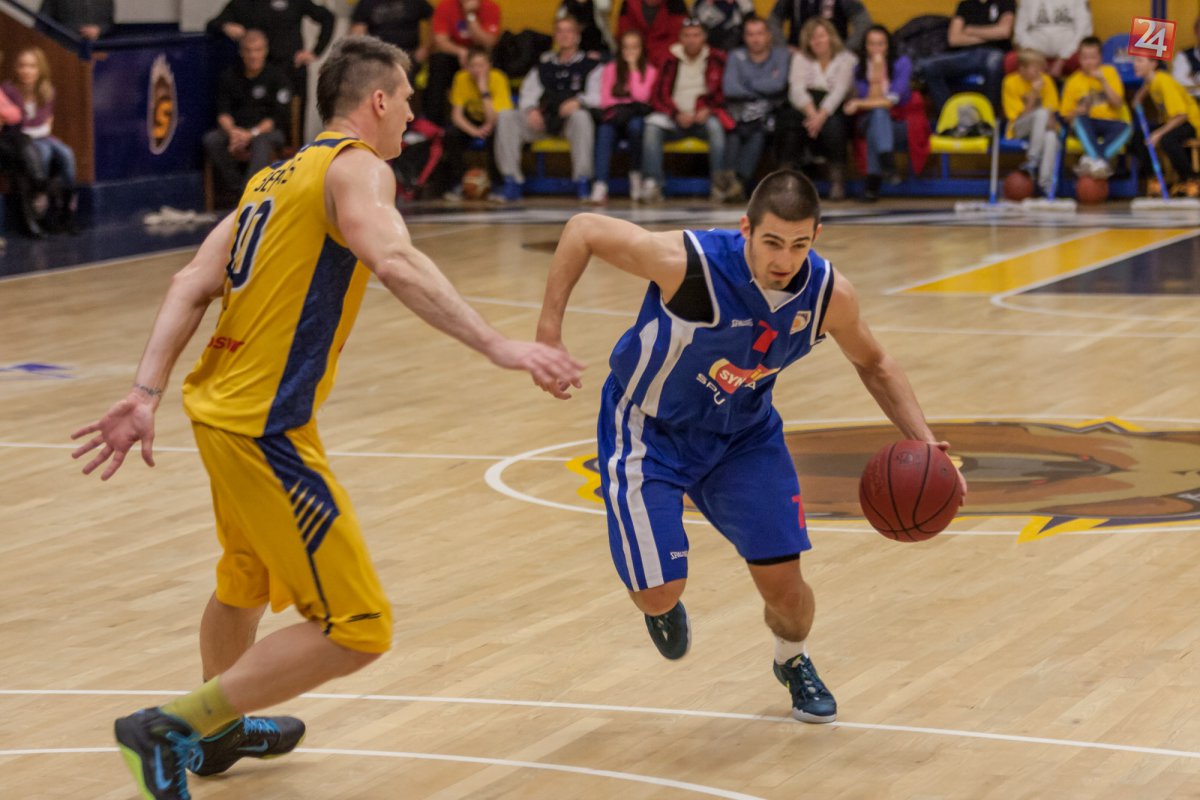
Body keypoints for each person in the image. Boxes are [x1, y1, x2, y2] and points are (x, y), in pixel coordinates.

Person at [71, 36, 583, 800]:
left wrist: (145, 392)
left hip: (220, 413)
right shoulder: (358, 168)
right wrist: (497, 345)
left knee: (244, 582)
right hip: (264, 429)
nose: (411, 114)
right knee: (359, 626)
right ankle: (172, 726)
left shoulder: (271, 180)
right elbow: (395, 260)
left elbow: (190, 281)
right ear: (377, 100)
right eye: (406, 100)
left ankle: (217, 735)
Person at [535, 169, 966, 726]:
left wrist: (927, 444)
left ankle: (792, 660)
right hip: (649, 429)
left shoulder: (827, 295)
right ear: (746, 229)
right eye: (772, 242)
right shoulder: (691, 265)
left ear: (816, 237)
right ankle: (659, 606)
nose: (784, 259)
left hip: (744, 437)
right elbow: (583, 229)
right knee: (659, 593)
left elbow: (875, 362)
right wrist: (549, 333)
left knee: (787, 592)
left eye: (799, 244)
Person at [493, 15, 602, 203]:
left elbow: (598, 96)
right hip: (544, 119)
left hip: (570, 122)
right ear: (555, 36)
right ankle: (512, 181)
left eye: (569, 31)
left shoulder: (590, 65)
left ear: (577, 36)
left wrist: (578, 101)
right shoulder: (544, 65)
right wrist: (531, 109)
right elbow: (528, 93)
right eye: (560, 31)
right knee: (507, 117)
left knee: (581, 117)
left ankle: (582, 180)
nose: (564, 35)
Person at [206, 0, 336, 141]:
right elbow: (212, 24)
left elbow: (327, 17)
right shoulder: (242, 4)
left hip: (289, 71)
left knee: (293, 128)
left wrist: (315, 52)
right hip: (254, 75)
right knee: (249, 121)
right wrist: (226, 26)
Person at [641, 19, 731, 204]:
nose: (691, 40)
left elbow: (723, 92)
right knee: (651, 128)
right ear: (680, 38)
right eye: (687, 35)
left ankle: (719, 185)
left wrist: (708, 109)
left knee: (716, 127)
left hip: (703, 116)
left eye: (696, 35)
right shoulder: (669, 59)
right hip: (674, 117)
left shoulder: (717, 59)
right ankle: (653, 184)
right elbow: (657, 95)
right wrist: (675, 113)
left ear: (704, 37)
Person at [203, 30, 293, 210]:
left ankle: (252, 196)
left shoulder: (277, 76)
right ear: (241, 52)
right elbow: (223, 112)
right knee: (212, 139)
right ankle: (240, 191)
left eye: (257, 50)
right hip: (237, 130)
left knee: (261, 142)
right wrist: (233, 133)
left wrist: (252, 134)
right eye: (249, 50)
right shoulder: (229, 76)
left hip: (267, 132)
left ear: (265, 51)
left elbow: (278, 117)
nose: (253, 55)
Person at [778, 18, 856, 201]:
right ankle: (784, 179)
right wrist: (813, 114)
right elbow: (796, 90)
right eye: (812, 38)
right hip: (805, 106)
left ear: (831, 36)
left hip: (834, 107)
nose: (817, 41)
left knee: (835, 125)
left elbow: (840, 91)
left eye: (821, 36)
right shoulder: (800, 58)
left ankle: (837, 182)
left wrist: (821, 116)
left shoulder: (847, 59)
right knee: (790, 122)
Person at [2, 46, 77, 233]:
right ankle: (39, 205)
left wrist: (40, 127)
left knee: (66, 154)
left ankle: (67, 209)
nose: (26, 71)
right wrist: (39, 127)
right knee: (43, 153)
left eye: (32, 66)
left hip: (43, 136)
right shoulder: (9, 90)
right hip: (21, 139)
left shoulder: (47, 91)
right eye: (22, 66)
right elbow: (18, 123)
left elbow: (45, 122)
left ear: (40, 69)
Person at [719, 15, 791, 203]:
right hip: (739, 114)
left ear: (768, 35)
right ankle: (730, 180)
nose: (755, 39)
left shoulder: (781, 55)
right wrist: (762, 87)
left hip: (769, 116)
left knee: (758, 132)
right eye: (750, 34)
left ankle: (738, 181)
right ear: (744, 37)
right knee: (734, 132)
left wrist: (746, 84)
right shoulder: (736, 56)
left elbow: (779, 85)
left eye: (759, 33)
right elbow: (730, 88)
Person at [844, 24, 913, 201]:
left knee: (878, 118)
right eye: (871, 44)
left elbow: (889, 102)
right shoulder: (858, 69)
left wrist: (858, 103)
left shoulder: (902, 64)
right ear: (865, 46)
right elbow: (874, 102)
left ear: (888, 45)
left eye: (880, 44)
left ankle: (872, 183)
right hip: (867, 121)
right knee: (878, 116)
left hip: (899, 123)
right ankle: (887, 163)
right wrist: (875, 73)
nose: (876, 49)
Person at [591, 29, 657, 204]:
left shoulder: (650, 71)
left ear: (642, 49)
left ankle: (636, 177)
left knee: (636, 126)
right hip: (616, 117)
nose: (630, 52)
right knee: (604, 130)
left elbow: (643, 97)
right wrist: (623, 106)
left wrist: (633, 70)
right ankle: (600, 183)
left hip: (636, 117)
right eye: (626, 47)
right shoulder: (610, 69)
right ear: (620, 49)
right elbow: (606, 99)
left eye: (635, 47)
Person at [915, 0, 1014, 115]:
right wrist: (990, 35)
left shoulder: (1005, 2)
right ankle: (949, 116)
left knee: (994, 60)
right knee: (929, 65)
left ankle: (987, 116)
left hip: (992, 53)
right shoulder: (965, 5)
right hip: (965, 56)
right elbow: (954, 39)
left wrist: (970, 30)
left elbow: (1004, 32)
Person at [442, 46, 510, 200]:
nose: (477, 70)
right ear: (467, 66)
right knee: (451, 134)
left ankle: (498, 183)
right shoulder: (461, 77)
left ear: (489, 65)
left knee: (497, 136)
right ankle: (459, 182)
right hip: (472, 121)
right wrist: (474, 131)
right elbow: (456, 115)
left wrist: (483, 89)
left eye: (481, 65)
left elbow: (497, 117)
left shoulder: (498, 78)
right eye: (473, 66)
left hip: (494, 120)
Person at [1061, 36, 1129, 180]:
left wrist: (1103, 81)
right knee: (1079, 120)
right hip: (1085, 123)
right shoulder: (1073, 81)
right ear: (1079, 59)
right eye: (1085, 58)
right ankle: (1100, 162)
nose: (1089, 62)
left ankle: (1091, 159)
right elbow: (1066, 117)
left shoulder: (1109, 72)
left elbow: (1117, 104)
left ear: (1100, 58)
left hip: (1108, 122)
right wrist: (1076, 112)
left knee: (1126, 128)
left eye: (1093, 57)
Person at [426, 0, 502, 126]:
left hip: (481, 55)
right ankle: (432, 122)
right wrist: (461, 52)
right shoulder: (445, 6)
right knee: (438, 61)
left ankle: (492, 119)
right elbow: (440, 41)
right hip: (455, 54)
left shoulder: (490, 7)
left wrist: (470, 15)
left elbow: (489, 43)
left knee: (494, 61)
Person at [1132, 56, 1200, 193]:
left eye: (1140, 61)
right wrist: (1138, 99)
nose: (1135, 64)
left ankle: (1191, 179)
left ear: (1153, 64)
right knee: (1139, 137)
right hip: (1174, 122)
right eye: (1135, 60)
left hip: (1190, 122)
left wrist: (1158, 133)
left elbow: (1182, 115)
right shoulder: (1151, 81)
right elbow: (1138, 98)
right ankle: (1155, 179)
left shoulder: (1163, 81)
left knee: (1167, 139)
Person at [1000, 49, 1060, 197]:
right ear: (1022, 69)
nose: (1039, 72)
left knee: (1051, 137)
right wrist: (1033, 94)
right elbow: (1018, 117)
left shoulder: (1046, 81)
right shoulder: (1010, 82)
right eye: (1035, 69)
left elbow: (1051, 114)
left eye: (1040, 68)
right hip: (1018, 128)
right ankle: (1033, 159)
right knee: (1041, 113)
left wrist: (1051, 123)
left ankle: (1046, 186)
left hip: (1041, 130)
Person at [1007, 0, 1090, 78]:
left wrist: (1062, 59)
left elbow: (1083, 32)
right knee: (1011, 62)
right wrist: (1037, 58)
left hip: (1069, 55)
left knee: (1088, 60)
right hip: (1034, 54)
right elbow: (1019, 32)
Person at [349, 0, 434, 67]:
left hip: (409, 56)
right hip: (378, 57)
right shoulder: (366, 3)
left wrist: (426, 48)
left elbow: (435, 20)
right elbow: (357, 34)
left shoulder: (415, 2)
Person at [767, 0, 872, 54]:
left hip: (834, 58)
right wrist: (784, 49)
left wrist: (846, 50)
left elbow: (864, 23)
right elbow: (773, 21)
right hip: (799, 57)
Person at [616, 0, 689, 68]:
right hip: (634, 58)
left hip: (665, 60)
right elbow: (624, 35)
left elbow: (678, 37)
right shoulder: (629, 4)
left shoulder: (676, 4)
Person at [692, 0, 756, 54]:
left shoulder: (743, 2)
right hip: (710, 51)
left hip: (738, 48)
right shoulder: (700, 5)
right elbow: (695, 31)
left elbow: (752, 26)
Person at [38, 0, 114, 40]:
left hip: (96, 50)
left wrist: (99, 30)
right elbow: (43, 21)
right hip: (63, 48)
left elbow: (109, 24)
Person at [1171, 18, 1200, 100]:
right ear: (1196, 31)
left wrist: (1193, 79)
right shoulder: (1184, 56)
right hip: (1192, 102)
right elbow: (1178, 82)